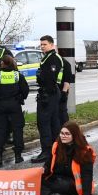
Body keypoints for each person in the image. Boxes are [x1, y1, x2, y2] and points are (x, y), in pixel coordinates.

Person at [41, 121, 96, 195]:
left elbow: (87, 174)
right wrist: (42, 171)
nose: (63, 136)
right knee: (35, 182)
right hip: (56, 179)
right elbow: (48, 165)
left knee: (61, 185)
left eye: (67, 134)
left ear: (74, 136)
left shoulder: (84, 151)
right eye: (62, 133)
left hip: (72, 183)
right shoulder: (56, 146)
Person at [0, 56, 29, 167]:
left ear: (2, 63)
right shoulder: (18, 76)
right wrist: (19, 97)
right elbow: (25, 91)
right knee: (17, 129)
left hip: (1, 106)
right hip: (15, 105)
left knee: (0, 130)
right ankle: (18, 156)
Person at [32, 35, 64, 163]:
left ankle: (47, 152)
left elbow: (51, 77)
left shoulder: (53, 58)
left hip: (49, 93)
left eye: (44, 44)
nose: (42, 46)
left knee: (44, 123)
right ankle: (54, 150)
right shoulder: (48, 57)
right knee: (52, 122)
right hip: (49, 92)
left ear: (51, 44)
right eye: (41, 44)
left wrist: (45, 92)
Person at [57, 52, 75, 132]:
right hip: (54, 92)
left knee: (62, 112)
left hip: (61, 92)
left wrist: (64, 93)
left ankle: (67, 130)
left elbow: (67, 80)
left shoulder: (65, 64)